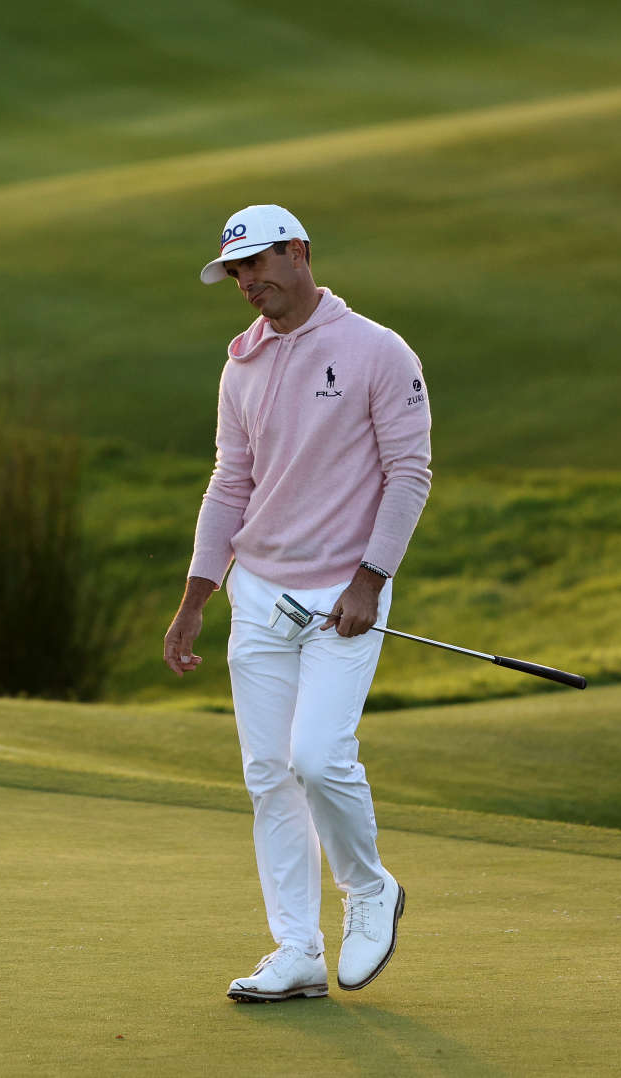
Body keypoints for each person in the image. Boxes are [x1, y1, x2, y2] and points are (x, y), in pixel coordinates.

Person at [163, 203, 432, 1003]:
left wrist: (370, 580)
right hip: (260, 597)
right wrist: (195, 598)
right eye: (237, 272)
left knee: (318, 756)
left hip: (344, 598)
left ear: (300, 252)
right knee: (269, 776)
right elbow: (229, 484)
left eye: (259, 264)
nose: (249, 282)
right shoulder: (240, 365)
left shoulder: (377, 350)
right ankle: (298, 950)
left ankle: (368, 888)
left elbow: (409, 474)